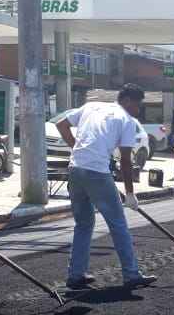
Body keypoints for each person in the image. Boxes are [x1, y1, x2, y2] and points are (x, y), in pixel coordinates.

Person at [55, 84, 157, 290]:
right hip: (98, 173)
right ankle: (131, 274)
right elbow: (127, 161)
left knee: (83, 224)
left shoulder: (92, 106)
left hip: (75, 170)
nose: (138, 110)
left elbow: (61, 125)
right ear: (127, 101)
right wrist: (130, 194)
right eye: (138, 105)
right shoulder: (126, 120)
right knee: (118, 224)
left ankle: (76, 275)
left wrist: (77, 148)